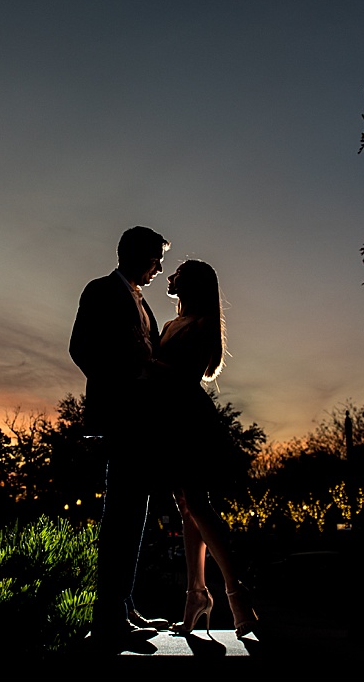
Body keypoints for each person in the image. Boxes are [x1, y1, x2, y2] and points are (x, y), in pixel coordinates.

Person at [69, 226, 173, 650]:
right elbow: (80, 348)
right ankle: (109, 618)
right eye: (155, 259)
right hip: (121, 418)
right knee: (121, 516)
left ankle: (123, 605)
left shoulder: (141, 300)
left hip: (143, 422)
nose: (159, 268)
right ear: (133, 254)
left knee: (134, 514)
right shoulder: (100, 291)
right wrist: (127, 381)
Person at [148, 259, 259, 639]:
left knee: (197, 501)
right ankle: (197, 594)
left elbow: (184, 376)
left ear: (192, 283)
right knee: (186, 505)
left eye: (177, 272)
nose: (170, 276)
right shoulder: (169, 324)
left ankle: (235, 592)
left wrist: (146, 362)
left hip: (190, 420)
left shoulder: (204, 324)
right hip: (168, 422)